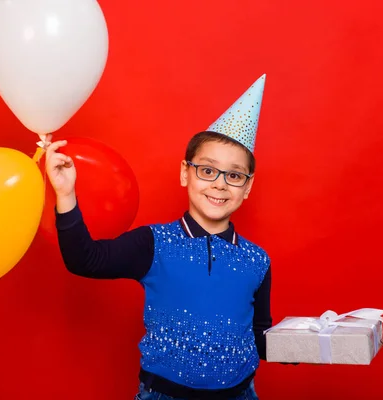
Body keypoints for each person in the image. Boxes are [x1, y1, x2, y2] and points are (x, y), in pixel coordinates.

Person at [45, 75, 271, 400]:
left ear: (246, 187)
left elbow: (259, 335)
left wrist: (315, 342)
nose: (220, 184)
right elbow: (85, 260)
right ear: (185, 173)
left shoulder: (257, 260)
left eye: (234, 176)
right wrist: (66, 194)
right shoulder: (154, 243)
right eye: (207, 170)